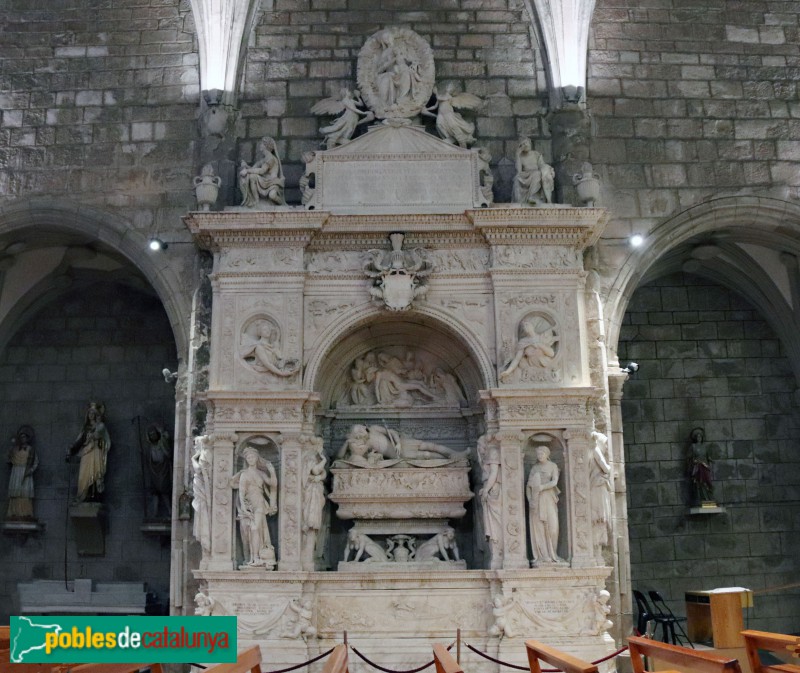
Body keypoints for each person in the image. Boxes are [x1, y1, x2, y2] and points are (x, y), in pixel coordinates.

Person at [230, 446, 278, 568]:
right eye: (248, 457)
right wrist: (244, 508)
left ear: (257, 458)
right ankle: (253, 557)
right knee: (252, 530)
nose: (250, 459)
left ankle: (257, 557)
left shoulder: (261, 473)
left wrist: (272, 471)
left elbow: (273, 484)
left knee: (256, 528)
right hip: (249, 504)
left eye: (252, 457)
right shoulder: (244, 474)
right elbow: (241, 492)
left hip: (260, 503)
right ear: (246, 460)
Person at [66, 402, 111, 503]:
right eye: (89, 413)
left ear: (96, 415)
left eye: (93, 413)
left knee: (95, 472)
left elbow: (103, 438)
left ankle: (94, 496)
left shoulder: (100, 426)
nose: (91, 415)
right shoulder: (85, 428)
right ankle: (82, 495)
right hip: (86, 452)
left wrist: (96, 434)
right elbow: (79, 440)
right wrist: (71, 447)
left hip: (96, 451)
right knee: (83, 475)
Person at [526, 445, 562, 564]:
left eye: (542, 454)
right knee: (539, 527)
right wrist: (530, 499)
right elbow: (529, 486)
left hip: (549, 498)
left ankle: (553, 554)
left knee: (553, 527)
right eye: (538, 454)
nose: (539, 456)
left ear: (547, 454)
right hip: (537, 499)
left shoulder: (553, 466)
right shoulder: (534, 468)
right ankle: (543, 555)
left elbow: (555, 481)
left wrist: (542, 487)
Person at [499, 317, 558, 382]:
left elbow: (551, 353)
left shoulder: (542, 337)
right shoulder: (523, 342)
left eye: (527, 324)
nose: (525, 327)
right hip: (530, 369)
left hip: (544, 364)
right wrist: (508, 371)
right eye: (524, 326)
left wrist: (539, 345)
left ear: (532, 326)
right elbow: (517, 359)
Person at [301, 438, 327, 570]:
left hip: (316, 493)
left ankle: (311, 555)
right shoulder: (310, 457)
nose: (321, 448)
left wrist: (319, 477)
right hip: (310, 494)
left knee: (314, 524)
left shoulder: (313, 458)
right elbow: (317, 471)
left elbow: (321, 474)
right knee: (309, 522)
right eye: (320, 445)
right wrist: (324, 460)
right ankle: (306, 556)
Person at [238, 136, 286, 207]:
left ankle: (282, 204)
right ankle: (256, 201)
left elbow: (262, 171)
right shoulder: (264, 159)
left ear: (266, 146)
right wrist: (246, 166)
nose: (260, 145)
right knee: (252, 176)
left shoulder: (271, 158)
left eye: (261, 144)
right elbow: (254, 169)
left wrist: (247, 170)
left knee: (272, 196)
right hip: (265, 181)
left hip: (272, 183)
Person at [477, 433, 502, 567]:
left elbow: (494, 473)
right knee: (490, 525)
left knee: (495, 524)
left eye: (480, 445)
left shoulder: (492, 452)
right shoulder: (486, 454)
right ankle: (496, 552)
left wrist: (486, 489)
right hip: (489, 492)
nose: (479, 448)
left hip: (494, 492)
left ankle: (499, 552)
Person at [6, 425, 38, 519]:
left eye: (24, 437)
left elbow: (36, 462)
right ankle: (14, 512)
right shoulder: (15, 449)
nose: (23, 439)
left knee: (25, 494)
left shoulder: (30, 450)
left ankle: (26, 513)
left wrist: (31, 470)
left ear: (28, 438)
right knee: (15, 494)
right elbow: (9, 460)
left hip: (25, 472)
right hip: (15, 472)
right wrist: (10, 453)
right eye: (21, 437)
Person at [513, 137, 555, 205]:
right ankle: (527, 199)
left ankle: (532, 196)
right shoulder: (520, 156)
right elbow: (518, 171)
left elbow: (542, 165)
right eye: (523, 144)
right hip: (525, 176)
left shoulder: (536, 154)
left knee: (537, 174)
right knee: (517, 179)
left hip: (536, 174)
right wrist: (517, 154)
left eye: (527, 143)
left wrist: (549, 170)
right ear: (520, 146)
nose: (526, 145)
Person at [589, 430, 613, 549]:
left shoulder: (594, 451)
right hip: (597, 488)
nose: (607, 447)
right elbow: (606, 468)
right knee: (599, 517)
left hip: (599, 486)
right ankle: (597, 550)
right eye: (606, 443)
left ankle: (598, 550)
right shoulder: (595, 450)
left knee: (600, 519)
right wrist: (612, 471)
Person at [143, 425, 172, 519]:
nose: (153, 436)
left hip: (163, 470)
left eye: (154, 434)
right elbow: (148, 460)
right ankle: (154, 513)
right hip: (154, 471)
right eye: (150, 435)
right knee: (155, 493)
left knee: (164, 491)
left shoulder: (162, 444)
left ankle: (170, 511)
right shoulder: (150, 448)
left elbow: (168, 454)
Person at [689, 427, 715, 503]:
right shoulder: (693, 447)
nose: (699, 438)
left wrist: (711, 460)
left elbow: (708, 456)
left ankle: (708, 497)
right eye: (697, 436)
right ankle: (700, 498)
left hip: (705, 466)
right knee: (699, 482)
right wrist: (694, 461)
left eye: (700, 436)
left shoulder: (705, 446)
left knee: (707, 481)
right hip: (697, 467)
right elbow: (689, 457)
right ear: (695, 438)